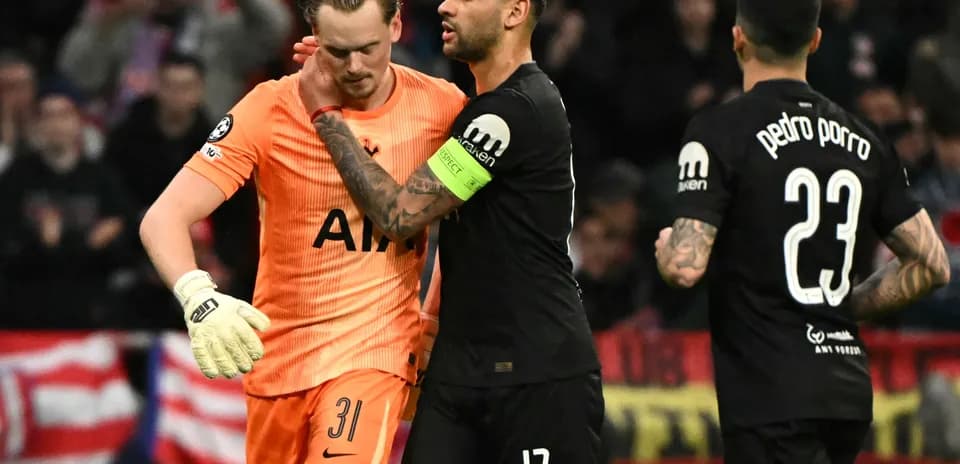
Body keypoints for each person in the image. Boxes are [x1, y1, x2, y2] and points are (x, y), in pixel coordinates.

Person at [138, 0, 467, 462]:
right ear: (312, 36)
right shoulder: (270, 106)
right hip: (280, 363)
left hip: (374, 356)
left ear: (395, 26)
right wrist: (198, 297)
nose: (355, 67)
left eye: (368, 48)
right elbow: (164, 217)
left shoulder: (443, 108)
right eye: (338, 51)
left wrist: (431, 322)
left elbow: (468, 234)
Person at [297, 0, 604, 461]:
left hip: (538, 377)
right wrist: (348, 64)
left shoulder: (512, 112)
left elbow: (398, 215)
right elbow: (466, 234)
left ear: (515, 11)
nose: (444, 4)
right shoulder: (480, 109)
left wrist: (326, 114)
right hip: (459, 372)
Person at [653, 0, 951, 462]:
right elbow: (932, 264)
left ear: (737, 38)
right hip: (847, 393)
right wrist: (843, 305)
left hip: (770, 395)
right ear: (814, 42)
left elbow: (684, 267)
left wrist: (668, 246)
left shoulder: (719, 130)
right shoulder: (867, 138)